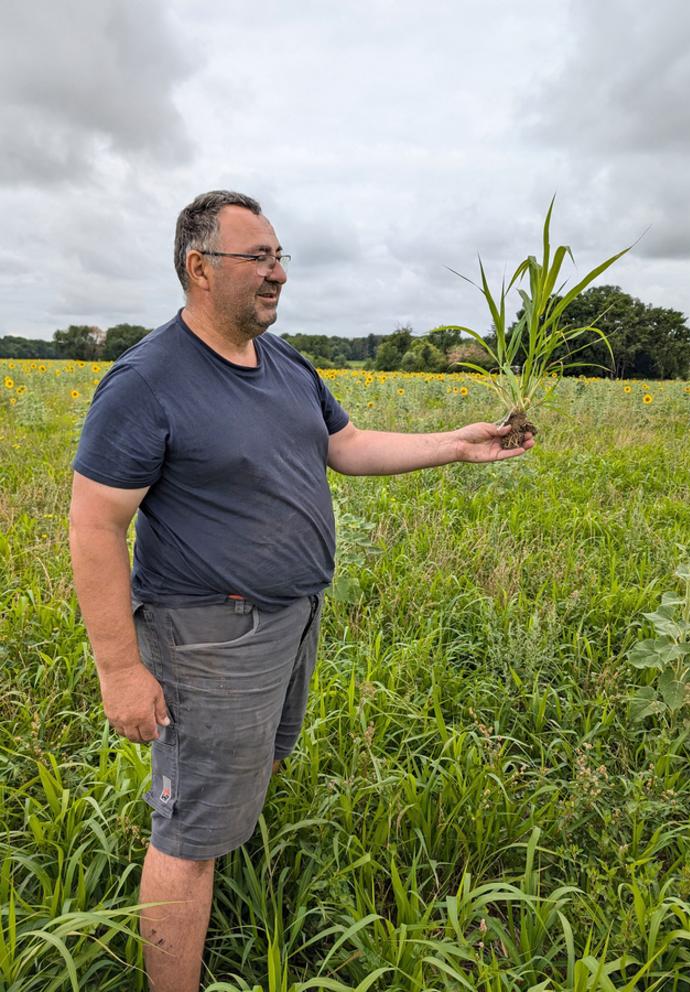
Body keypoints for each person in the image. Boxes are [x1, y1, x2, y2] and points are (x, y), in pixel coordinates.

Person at [68, 189, 534, 992]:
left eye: (281, 256)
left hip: (290, 620)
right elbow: (94, 525)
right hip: (207, 634)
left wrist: (456, 446)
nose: (278, 273)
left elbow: (344, 445)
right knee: (188, 834)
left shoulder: (283, 360)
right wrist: (119, 669)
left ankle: (230, 892)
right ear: (198, 267)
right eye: (260, 258)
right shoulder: (146, 381)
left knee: (250, 779)